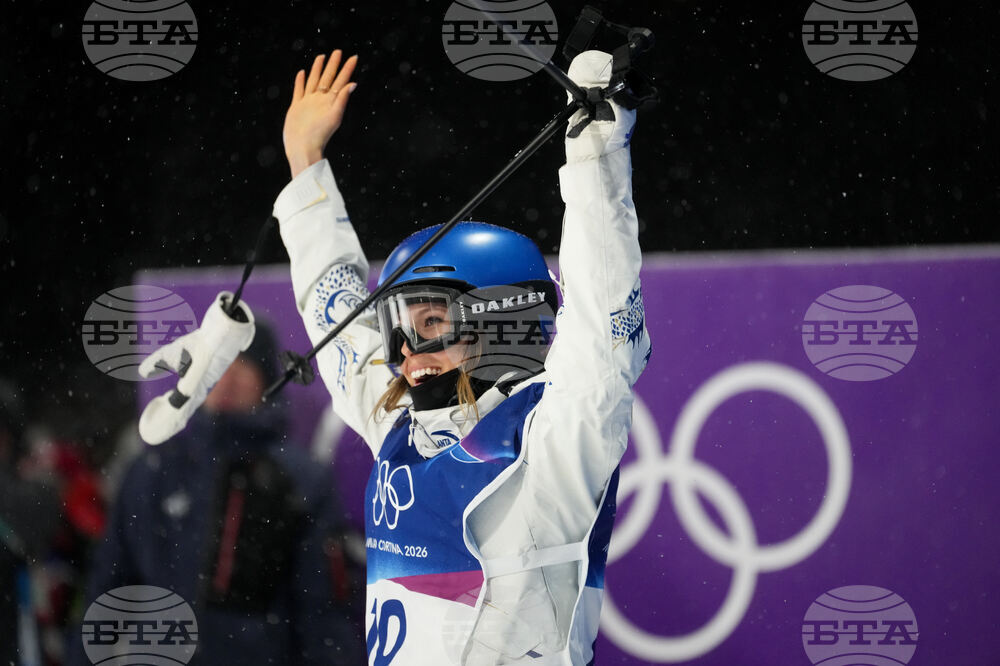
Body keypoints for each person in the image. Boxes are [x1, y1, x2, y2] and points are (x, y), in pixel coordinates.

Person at [270, 47, 651, 665]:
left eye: (428, 324)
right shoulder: (403, 435)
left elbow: (607, 339)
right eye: (397, 328)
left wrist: (595, 157)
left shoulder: (550, 450)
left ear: (500, 318)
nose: (401, 353)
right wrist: (304, 164)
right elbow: (334, 319)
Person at [70, 324, 366, 665]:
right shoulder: (152, 468)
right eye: (218, 365)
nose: (227, 380)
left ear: (266, 379)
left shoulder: (302, 479)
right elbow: (107, 584)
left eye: (242, 366)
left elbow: (323, 611)